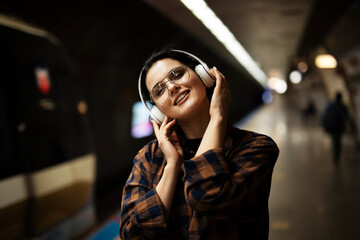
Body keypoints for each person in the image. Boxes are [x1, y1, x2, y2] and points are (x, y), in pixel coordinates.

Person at [119, 47, 279, 239]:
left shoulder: (256, 147)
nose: (171, 87)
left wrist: (218, 117)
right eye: (159, 90)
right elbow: (132, 235)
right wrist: (172, 166)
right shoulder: (148, 158)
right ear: (157, 112)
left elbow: (207, 195)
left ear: (203, 74)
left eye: (177, 75)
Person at [321, 92, 353, 165]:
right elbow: (346, 117)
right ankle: (337, 155)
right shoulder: (342, 106)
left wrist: (324, 125)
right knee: (338, 141)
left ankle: (335, 155)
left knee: (334, 140)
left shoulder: (330, 105)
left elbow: (324, 115)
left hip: (331, 127)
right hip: (339, 127)